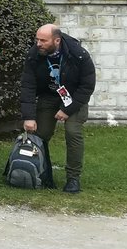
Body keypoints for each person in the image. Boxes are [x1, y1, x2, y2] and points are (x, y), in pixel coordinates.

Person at [21, 25, 95, 193]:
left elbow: (87, 86)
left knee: (72, 132)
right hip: (49, 96)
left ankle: (73, 179)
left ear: (57, 40)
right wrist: (29, 117)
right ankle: (43, 173)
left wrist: (67, 110)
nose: (38, 44)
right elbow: (28, 85)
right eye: (37, 39)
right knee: (41, 134)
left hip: (74, 98)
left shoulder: (79, 55)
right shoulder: (34, 54)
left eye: (43, 40)